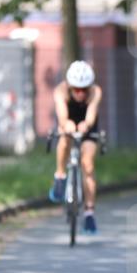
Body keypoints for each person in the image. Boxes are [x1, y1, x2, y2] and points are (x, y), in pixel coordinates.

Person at [49, 61, 103, 233]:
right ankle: (60, 175)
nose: (80, 93)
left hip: (87, 125)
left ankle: (89, 212)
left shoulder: (95, 92)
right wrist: (67, 124)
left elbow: (91, 114)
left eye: (84, 89)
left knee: (87, 164)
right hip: (68, 121)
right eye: (76, 90)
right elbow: (62, 115)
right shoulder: (60, 91)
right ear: (70, 87)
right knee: (64, 140)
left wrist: (85, 125)